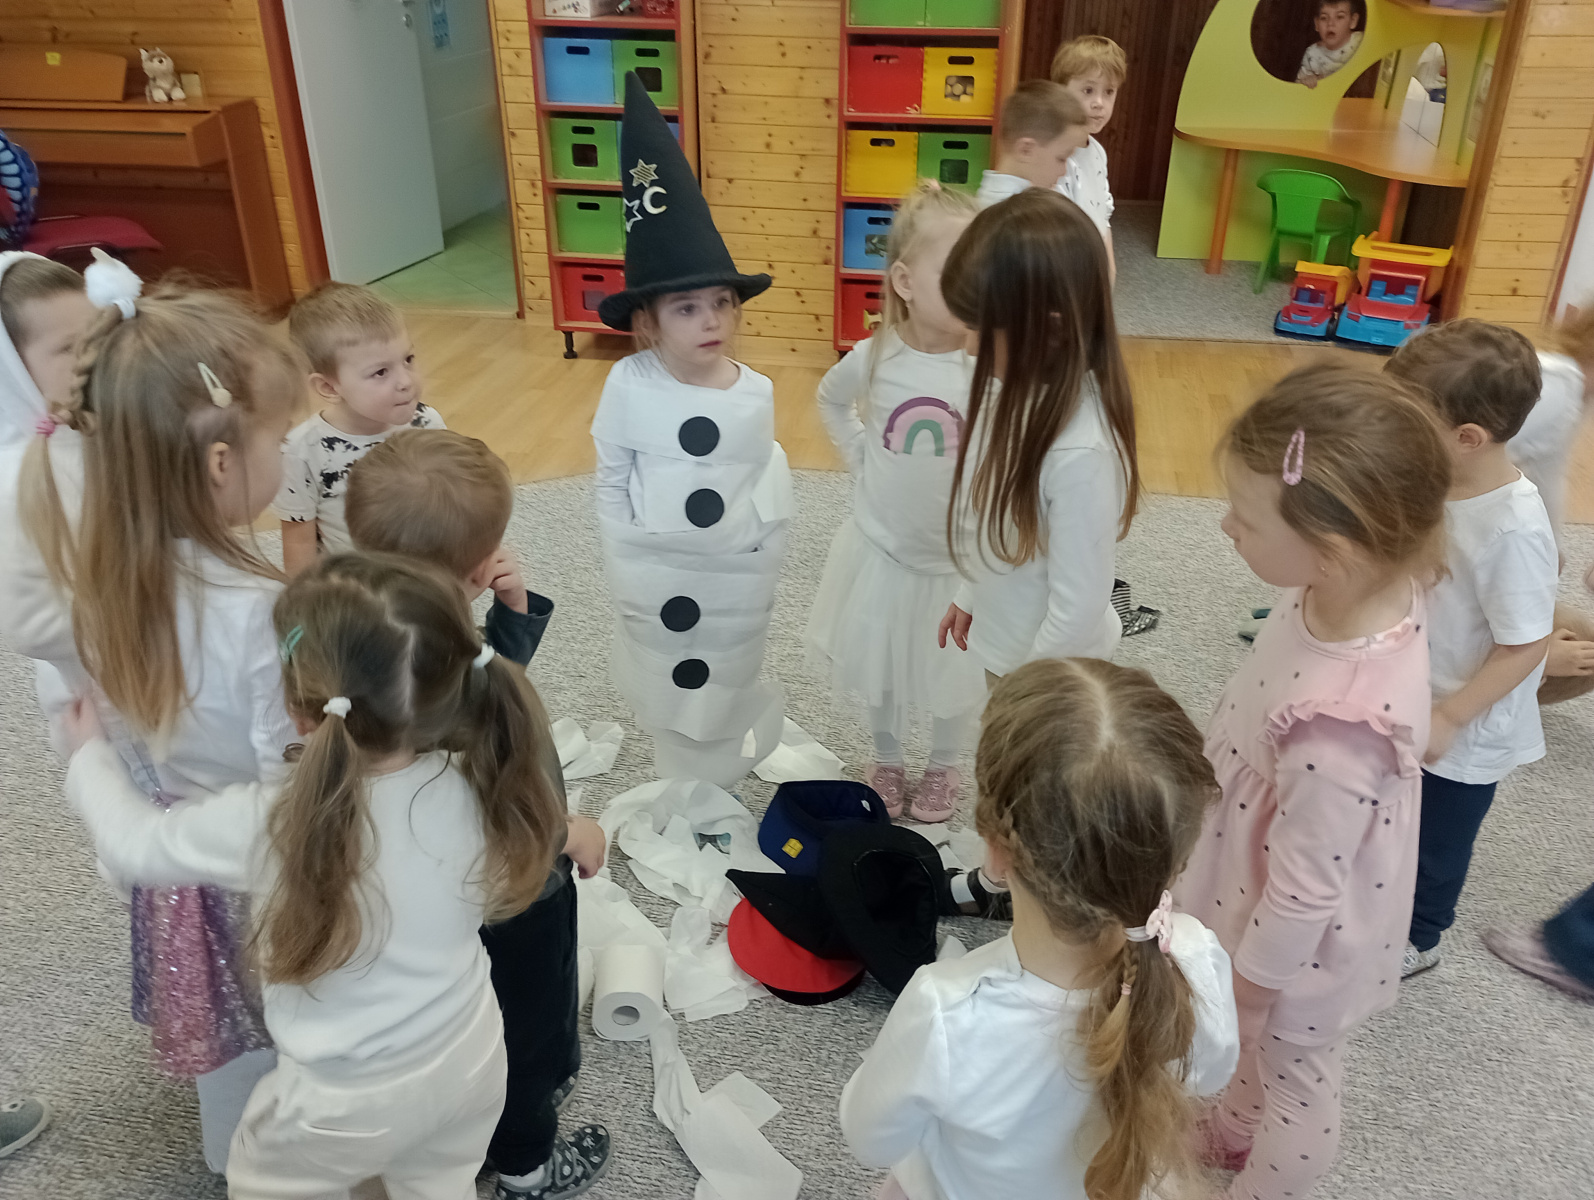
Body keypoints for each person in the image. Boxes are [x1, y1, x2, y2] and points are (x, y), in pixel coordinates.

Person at [60, 554, 572, 1199]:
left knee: (263, 1182)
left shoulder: (275, 820)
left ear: (300, 712)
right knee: (440, 1183)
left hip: (341, 1101)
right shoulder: (481, 779)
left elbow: (137, 845)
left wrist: (89, 758)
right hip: (471, 1056)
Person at [14, 283, 305, 1171]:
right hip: (261, 867)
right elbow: (293, 788)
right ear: (220, 462)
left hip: (179, 857)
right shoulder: (259, 614)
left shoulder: (99, 584)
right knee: (297, 1037)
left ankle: (236, 1163)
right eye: (278, 438)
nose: (288, 453)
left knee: (232, 1046)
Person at [1176, 365, 1451, 1200]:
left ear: (1333, 552)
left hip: (1295, 941)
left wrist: (1254, 991)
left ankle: (1269, 1184)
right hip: (1259, 862)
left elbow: (1303, 893)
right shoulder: (1363, 582)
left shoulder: (1338, 726)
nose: (1225, 524)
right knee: (1249, 1050)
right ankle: (1233, 1127)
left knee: (1292, 1071)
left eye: (1245, 515)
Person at [839, 657, 1240, 1200]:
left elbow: (870, 1139)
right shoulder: (1193, 955)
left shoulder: (946, 1013)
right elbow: (1210, 1074)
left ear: (996, 853)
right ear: (1177, 860)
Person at [345, 429, 614, 1198]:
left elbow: (475, 695)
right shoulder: (471, 692)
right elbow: (489, 801)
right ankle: (528, 1168)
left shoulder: (368, 638)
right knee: (525, 1035)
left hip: (421, 902)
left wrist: (510, 618)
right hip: (512, 895)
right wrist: (569, 834)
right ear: (473, 572)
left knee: (477, 1031)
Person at [589, 73, 792, 789]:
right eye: (686, 308)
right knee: (670, 680)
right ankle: (681, 779)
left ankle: (718, 776)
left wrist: (760, 560)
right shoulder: (628, 385)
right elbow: (612, 481)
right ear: (647, 320)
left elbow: (762, 486)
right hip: (658, 576)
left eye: (721, 302)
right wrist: (626, 563)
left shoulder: (755, 392)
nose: (710, 320)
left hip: (731, 581)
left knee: (725, 673)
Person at [805, 182, 985, 823]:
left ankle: (943, 763)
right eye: (955, 271)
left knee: (954, 670)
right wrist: (859, 455)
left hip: (957, 560)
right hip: (884, 549)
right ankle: (885, 756)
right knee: (879, 662)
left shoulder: (986, 366)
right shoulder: (875, 356)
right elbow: (830, 399)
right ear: (905, 281)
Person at [1385, 321, 1557, 979]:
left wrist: (1453, 716)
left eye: (1411, 421)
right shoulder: (1439, 476)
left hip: (1467, 722)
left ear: (1468, 437)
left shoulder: (1513, 530)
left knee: (1437, 839)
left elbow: (1527, 642)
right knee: (1388, 807)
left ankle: (1422, 935)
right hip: (1412, 682)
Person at [937, 189, 1139, 684]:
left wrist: (1027, 696)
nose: (970, 347)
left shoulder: (1081, 453)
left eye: (982, 329)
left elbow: (1079, 610)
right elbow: (998, 519)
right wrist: (970, 594)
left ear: (1047, 329)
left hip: (1049, 678)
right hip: (1009, 651)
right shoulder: (1010, 393)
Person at [275, 281, 446, 576]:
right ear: (329, 387)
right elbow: (299, 544)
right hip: (355, 589)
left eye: (408, 359)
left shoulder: (427, 424)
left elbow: (452, 507)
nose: (406, 381)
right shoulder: (300, 452)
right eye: (380, 372)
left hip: (428, 580)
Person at [1049, 35, 1124, 276]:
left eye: (1109, 92)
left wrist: (1109, 268)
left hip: (1092, 266)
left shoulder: (1097, 152)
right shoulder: (1055, 158)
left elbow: (1103, 213)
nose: (1099, 103)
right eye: (1088, 90)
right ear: (1061, 93)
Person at [973, 81, 1089, 213]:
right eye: (1061, 158)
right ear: (1025, 150)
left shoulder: (995, 196)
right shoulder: (1017, 214)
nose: (1064, 171)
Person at [1297, 0, 1363, 89]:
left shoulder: (1361, 41)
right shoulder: (1312, 54)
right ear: (1316, 24)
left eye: (1339, 17)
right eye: (1324, 18)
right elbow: (1298, 88)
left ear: (1353, 21)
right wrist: (1307, 81)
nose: (1330, 24)